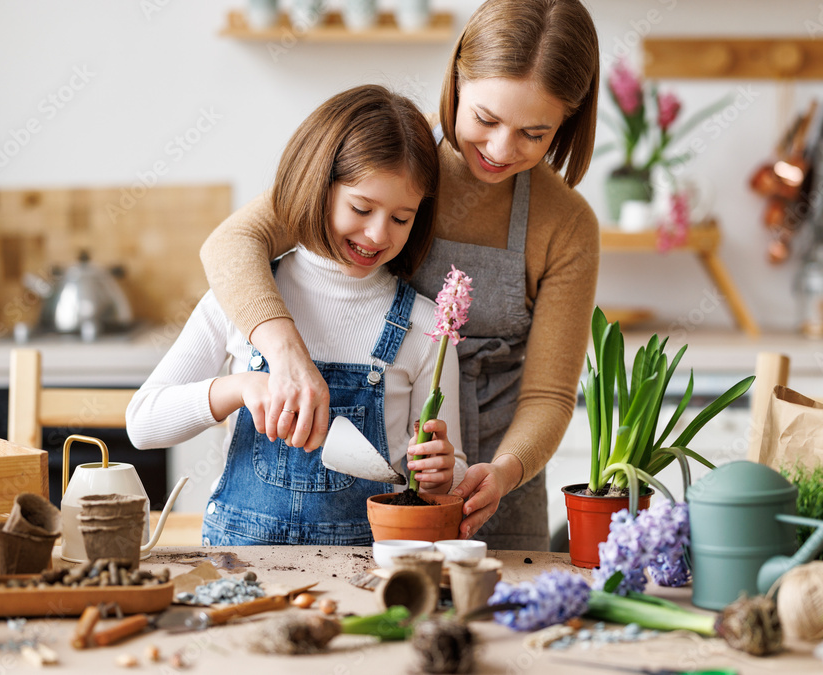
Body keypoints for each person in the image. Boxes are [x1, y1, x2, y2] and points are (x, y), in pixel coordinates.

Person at [199, 0, 600, 551]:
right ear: (456, 80)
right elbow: (231, 243)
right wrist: (286, 359)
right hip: (373, 492)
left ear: (567, 123)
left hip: (496, 491)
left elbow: (550, 396)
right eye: (485, 119)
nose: (501, 150)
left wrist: (502, 473)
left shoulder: (567, 225)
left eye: (534, 133)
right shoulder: (394, 159)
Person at [127, 84, 467, 547]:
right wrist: (241, 388)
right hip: (239, 568)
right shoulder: (245, 295)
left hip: (363, 577)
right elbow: (143, 423)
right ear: (318, 186)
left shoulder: (427, 328)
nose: (376, 233)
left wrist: (442, 475)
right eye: (361, 208)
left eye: (401, 218)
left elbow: (448, 471)